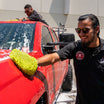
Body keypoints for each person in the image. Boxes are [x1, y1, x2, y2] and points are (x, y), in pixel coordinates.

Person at [10, 14, 103, 104]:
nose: (81, 34)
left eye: (85, 30)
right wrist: (34, 61)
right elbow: (53, 57)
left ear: (96, 29)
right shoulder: (76, 47)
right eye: (78, 30)